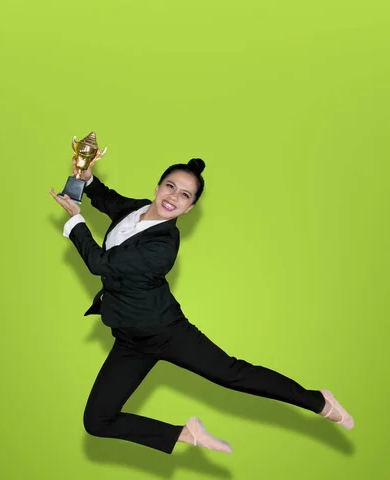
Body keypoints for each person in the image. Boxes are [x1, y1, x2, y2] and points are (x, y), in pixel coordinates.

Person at [48, 156, 354, 455]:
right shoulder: (137, 209)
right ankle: (185, 434)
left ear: (190, 207)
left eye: (184, 195)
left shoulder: (163, 245)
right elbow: (107, 198)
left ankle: (318, 401)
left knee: (232, 374)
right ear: (157, 188)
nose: (173, 197)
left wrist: (75, 219)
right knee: (97, 421)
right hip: (129, 338)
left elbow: (100, 263)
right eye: (170, 186)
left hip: (165, 331)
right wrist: (85, 177)